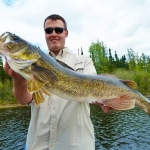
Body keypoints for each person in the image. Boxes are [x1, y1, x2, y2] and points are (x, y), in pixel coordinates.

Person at [4, 14, 110, 150]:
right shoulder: (30, 64)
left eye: (58, 30)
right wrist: (19, 81)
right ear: (45, 34)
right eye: (49, 31)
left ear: (66, 33)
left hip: (75, 145)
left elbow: (92, 89)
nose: (53, 34)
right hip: (38, 145)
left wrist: (107, 99)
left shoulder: (84, 61)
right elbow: (24, 100)